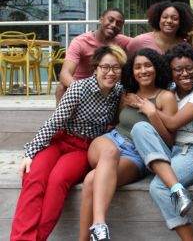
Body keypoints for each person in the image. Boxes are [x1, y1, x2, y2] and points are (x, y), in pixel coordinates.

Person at [10, 45, 127, 241]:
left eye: (116, 68)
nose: (110, 72)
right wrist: (30, 152)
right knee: (33, 176)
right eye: (105, 67)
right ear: (95, 68)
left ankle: (37, 238)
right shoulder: (79, 88)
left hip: (83, 148)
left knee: (58, 181)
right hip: (60, 139)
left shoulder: (118, 93)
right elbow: (55, 122)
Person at [80, 48, 177, 241]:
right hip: (111, 141)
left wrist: (151, 113)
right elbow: (116, 121)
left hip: (136, 154)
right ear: (132, 72)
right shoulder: (127, 94)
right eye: (137, 67)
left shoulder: (166, 97)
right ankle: (99, 225)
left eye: (147, 65)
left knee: (92, 179)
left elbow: (169, 141)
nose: (143, 71)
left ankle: (86, 237)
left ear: (156, 68)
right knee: (109, 152)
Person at [126, 43, 193, 241]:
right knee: (140, 128)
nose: (185, 74)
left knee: (158, 187)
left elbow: (173, 123)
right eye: (178, 70)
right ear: (170, 72)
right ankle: (178, 190)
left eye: (189, 68)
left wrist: (150, 109)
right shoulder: (168, 95)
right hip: (169, 151)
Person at [56, 7, 134, 104]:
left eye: (119, 23)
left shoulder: (123, 41)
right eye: (110, 20)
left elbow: (142, 43)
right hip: (82, 87)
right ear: (101, 19)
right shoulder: (80, 42)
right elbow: (65, 74)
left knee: (126, 89)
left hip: (108, 85)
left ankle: (118, 119)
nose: (114, 25)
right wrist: (82, 91)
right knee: (61, 87)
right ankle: (62, 119)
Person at [127, 0, 193, 55]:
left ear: (181, 22)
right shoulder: (140, 41)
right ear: (158, 19)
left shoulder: (185, 46)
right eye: (165, 17)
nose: (169, 21)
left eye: (175, 18)